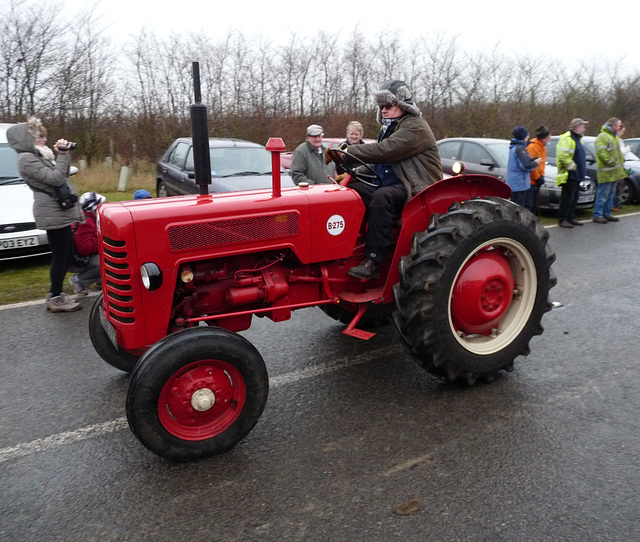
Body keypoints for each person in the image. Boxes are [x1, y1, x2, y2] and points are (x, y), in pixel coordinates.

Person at [333, 79, 442, 280]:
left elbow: (385, 151)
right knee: (353, 192)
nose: (383, 111)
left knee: (382, 197)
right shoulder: (391, 127)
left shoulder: (415, 127)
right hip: (394, 184)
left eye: (388, 106)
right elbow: (382, 167)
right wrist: (352, 173)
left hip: (416, 188)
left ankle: (373, 260)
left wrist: (348, 151)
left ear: (403, 105)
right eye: (381, 106)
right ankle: (342, 250)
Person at [7, 117, 84, 312]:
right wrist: (63, 155)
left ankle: (57, 293)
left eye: (44, 136)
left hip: (58, 211)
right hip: (51, 213)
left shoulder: (39, 156)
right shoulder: (26, 159)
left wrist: (62, 156)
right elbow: (56, 178)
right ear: (27, 139)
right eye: (39, 137)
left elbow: (63, 174)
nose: (44, 139)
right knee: (59, 257)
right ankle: (56, 298)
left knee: (65, 254)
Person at [68, 192, 105, 295]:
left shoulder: (86, 217)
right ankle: (78, 280)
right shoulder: (86, 223)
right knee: (105, 261)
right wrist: (102, 238)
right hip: (76, 260)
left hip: (73, 258)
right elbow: (85, 248)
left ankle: (101, 281)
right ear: (93, 209)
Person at [556, 118, 589, 228]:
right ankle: (563, 219)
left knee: (574, 198)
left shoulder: (577, 139)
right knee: (567, 198)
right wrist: (573, 167)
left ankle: (571, 217)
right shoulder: (567, 138)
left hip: (577, 175)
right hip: (569, 174)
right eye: (583, 126)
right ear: (577, 127)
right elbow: (563, 155)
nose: (584, 128)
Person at [593, 117, 626, 224]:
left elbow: (617, 152)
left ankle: (607, 213)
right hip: (606, 172)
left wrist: (621, 160)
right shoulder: (603, 136)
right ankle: (598, 215)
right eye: (619, 125)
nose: (620, 128)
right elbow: (601, 152)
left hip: (614, 172)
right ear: (614, 126)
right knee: (602, 194)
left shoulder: (614, 136)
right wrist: (610, 161)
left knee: (610, 195)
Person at [506, 126, 542, 212]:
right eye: (527, 135)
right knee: (520, 209)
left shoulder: (514, 147)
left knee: (515, 208)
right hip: (520, 185)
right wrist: (536, 162)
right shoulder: (520, 148)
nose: (528, 137)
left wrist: (531, 160)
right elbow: (526, 166)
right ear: (524, 136)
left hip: (514, 184)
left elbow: (521, 162)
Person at [526, 125, 551, 214]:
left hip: (536, 181)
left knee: (534, 206)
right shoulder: (532, 147)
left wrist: (542, 176)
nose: (550, 139)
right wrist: (537, 178)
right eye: (548, 137)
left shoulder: (543, 148)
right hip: (530, 182)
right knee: (530, 206)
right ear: (543, 139)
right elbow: (532, 166)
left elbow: (542, 165)